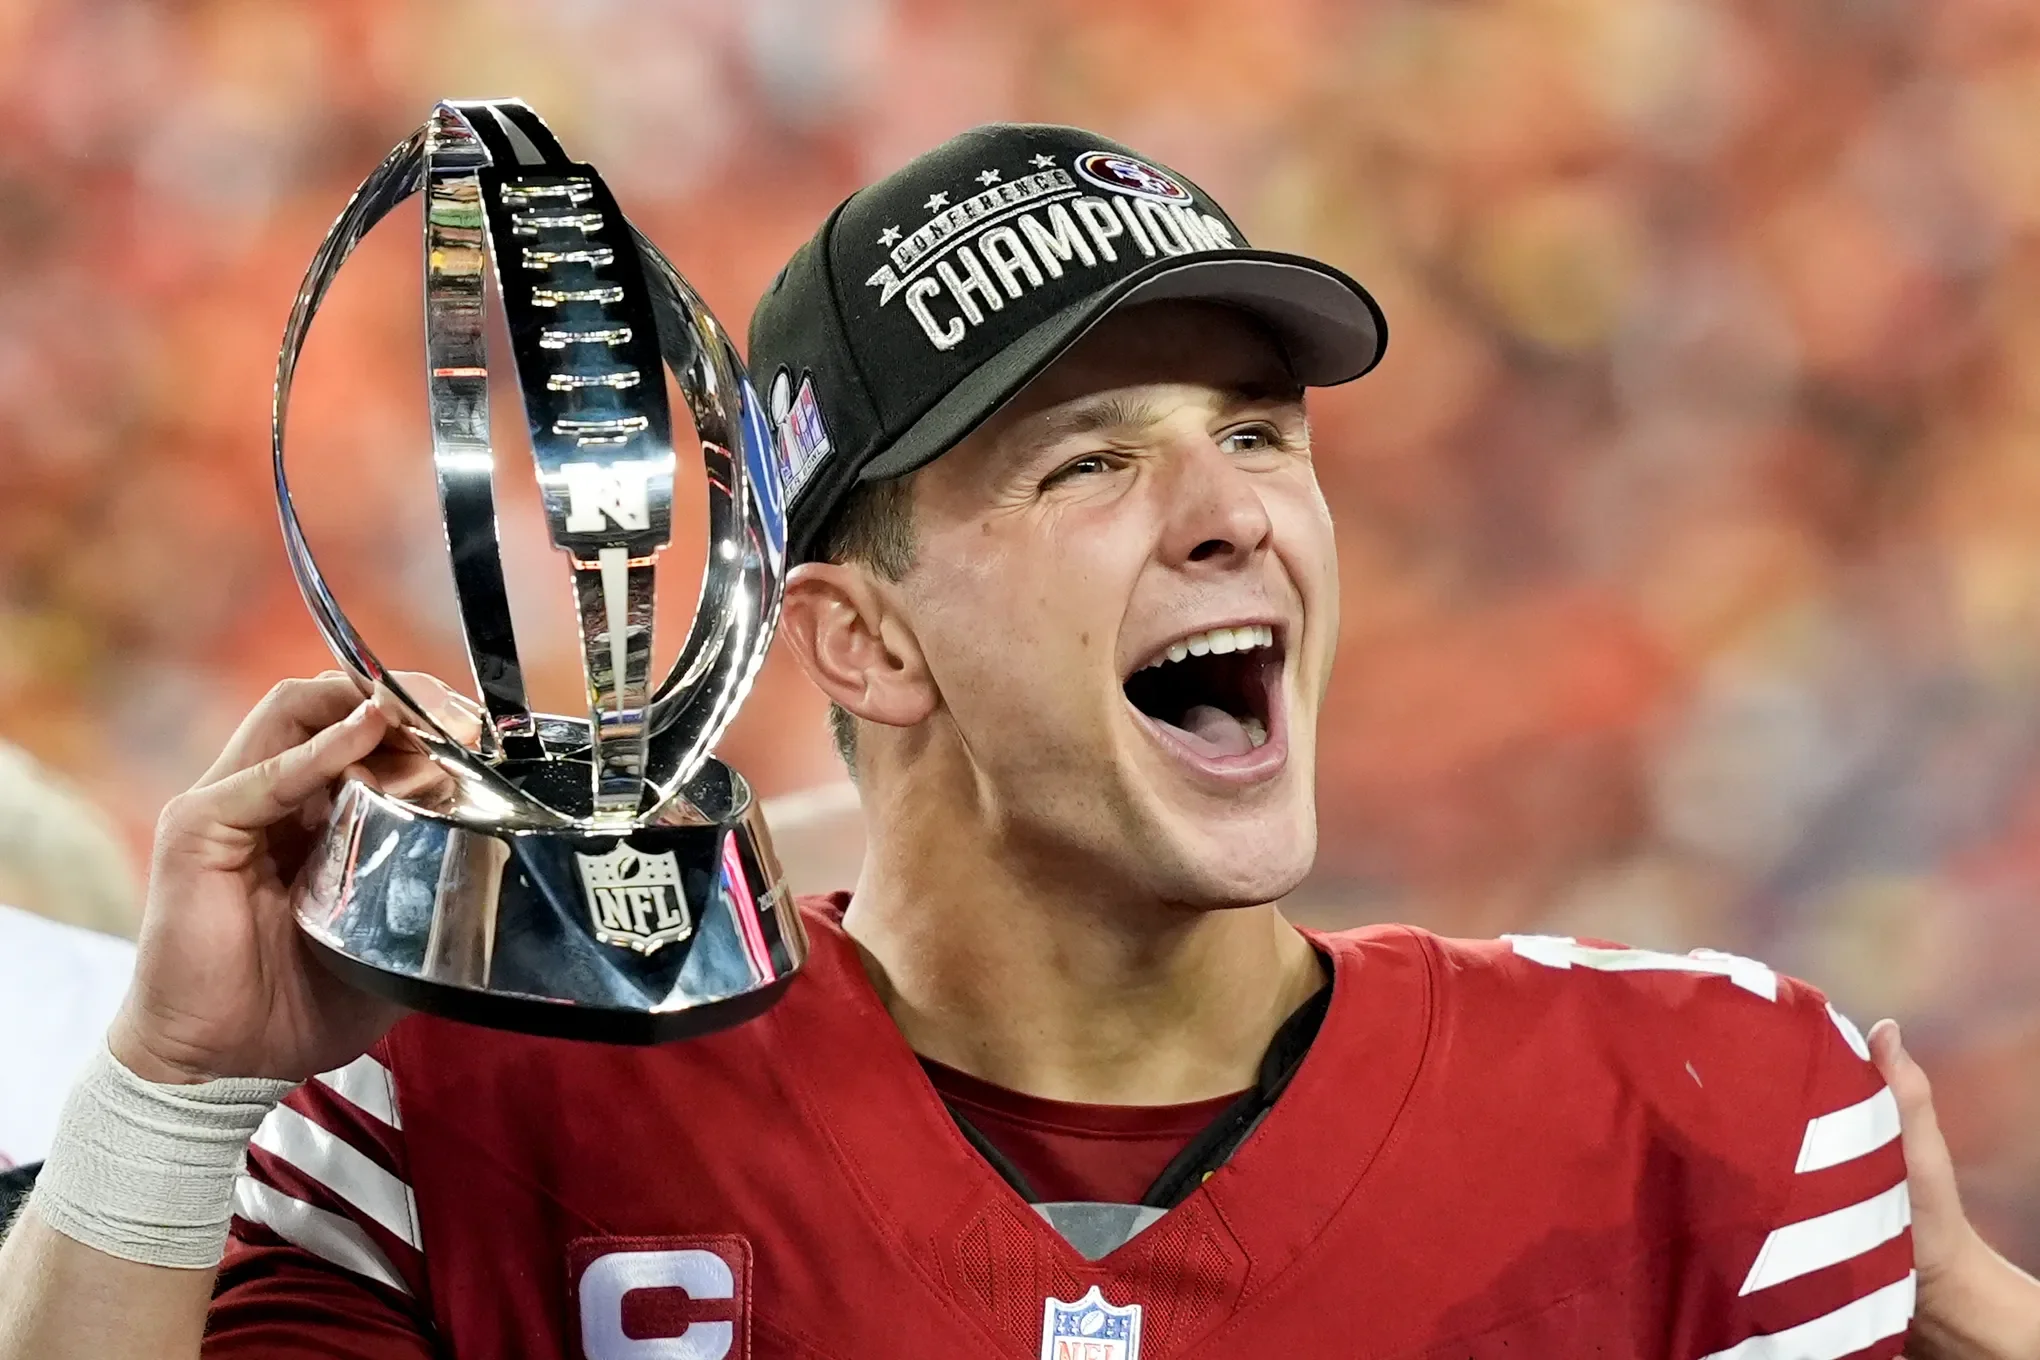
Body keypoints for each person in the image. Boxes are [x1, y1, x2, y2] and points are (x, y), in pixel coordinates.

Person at [0, 122, 2035, 1359]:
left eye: (1257, 436)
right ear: (862, 638)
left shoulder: (1714, 1111)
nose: (1234, 507)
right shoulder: (474, 1128)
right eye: (1095, 461)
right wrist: (175, 1090)